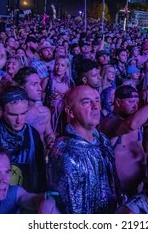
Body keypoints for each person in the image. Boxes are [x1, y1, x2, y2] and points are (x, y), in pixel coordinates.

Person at [0, 46, 46, 193]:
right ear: (1, 111)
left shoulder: (33, 135)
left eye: (23, 114)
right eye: (13, 115)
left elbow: (40, 173)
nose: (20, 120)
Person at [46, 85, 120, 213]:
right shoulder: (65, 151)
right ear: (70, 112)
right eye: (86, 102)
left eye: (97, 101)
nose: (95, 106)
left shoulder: (103, 140)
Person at [100, 85, 148, 197]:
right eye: (131, 102)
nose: (135, 106)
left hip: (138, 188)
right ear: (118, 102)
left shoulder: (136, 120)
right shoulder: (109, 123)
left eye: (137, 102)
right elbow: (130, 125)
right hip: (116, 193)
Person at [13, 66, 55, 150]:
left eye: (39, 84)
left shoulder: (44, 112)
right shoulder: (12, 114)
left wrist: (51, 140)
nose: (40, 89)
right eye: (34, 84)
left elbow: (49, 134)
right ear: (21, 87)